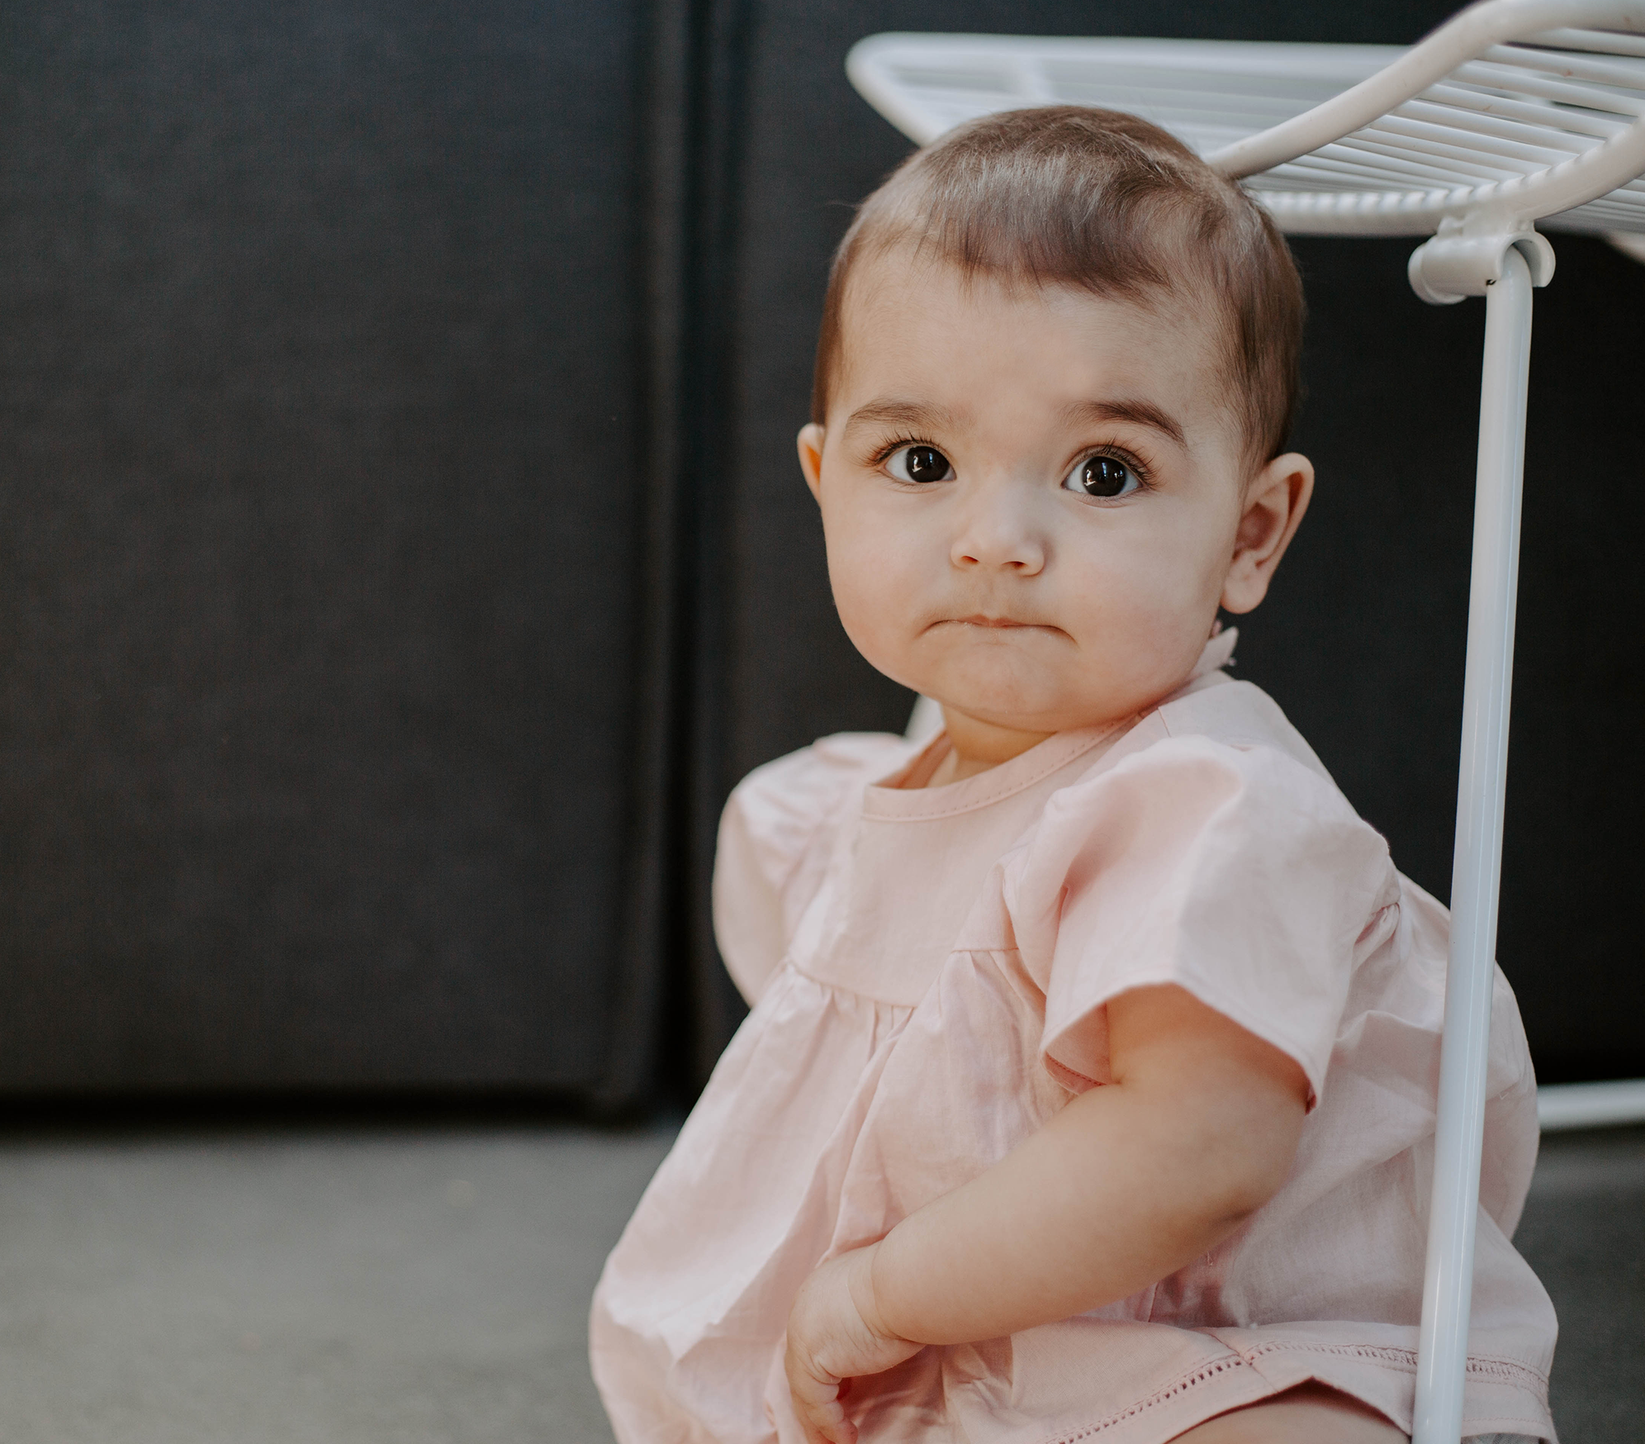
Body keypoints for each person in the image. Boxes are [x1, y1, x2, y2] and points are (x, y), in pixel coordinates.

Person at [589, 107, 1556, 1444]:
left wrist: (877, 1297)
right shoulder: (828, 820)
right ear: (825, 483)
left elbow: (1199, 1150)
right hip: (951, 1374)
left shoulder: (1207, 808)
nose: (997, 539)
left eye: (1104, 473)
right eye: (919, 462)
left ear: (1250, 533)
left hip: (1214, 1354)